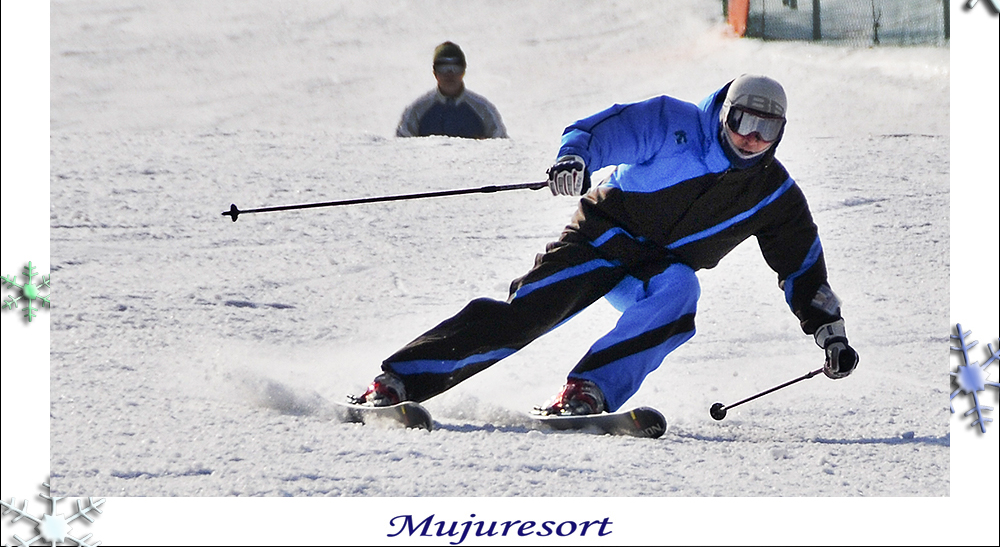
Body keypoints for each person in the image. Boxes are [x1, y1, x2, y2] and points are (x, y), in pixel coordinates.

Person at [357, 74, 858, 415]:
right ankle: (398, 381)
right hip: (601, 238)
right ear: (724, 114)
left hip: (656, 267)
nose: (751, 138)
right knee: (529, 312)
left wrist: (829, 331)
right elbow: (601, 131)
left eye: (767, 130)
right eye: (743, 122)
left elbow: (802, 264)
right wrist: (574, 158)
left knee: (680, 293)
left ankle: (589, 391)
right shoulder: (673, 122)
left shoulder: (773, 193)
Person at [396, 41, 508, 139]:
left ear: (463, 71)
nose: (449, 74)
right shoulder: (417, 110)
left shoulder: (483, 110)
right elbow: (403, 146)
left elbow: (500, 146)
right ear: (435, 72)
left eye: (455, 68)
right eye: (443, 68)